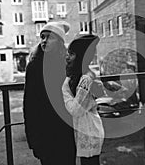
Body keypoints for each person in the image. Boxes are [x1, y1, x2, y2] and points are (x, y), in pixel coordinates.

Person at [23, 21, 76, 165]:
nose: (44, 41)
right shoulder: (34, 66)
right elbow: (29, 104)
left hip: (65, 130)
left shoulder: (68, 65)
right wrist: (33, 139)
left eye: (49, 37)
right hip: (44, 132)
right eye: (42, 37)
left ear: (59, 42)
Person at [62, 33, 105, 165]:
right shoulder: (79, 76)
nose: (68, 57)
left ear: (80, 57)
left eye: (72, 53)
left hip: (90, 132)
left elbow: (75, 110)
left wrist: (65, 91)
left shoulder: (86, 79)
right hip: (85, 130)